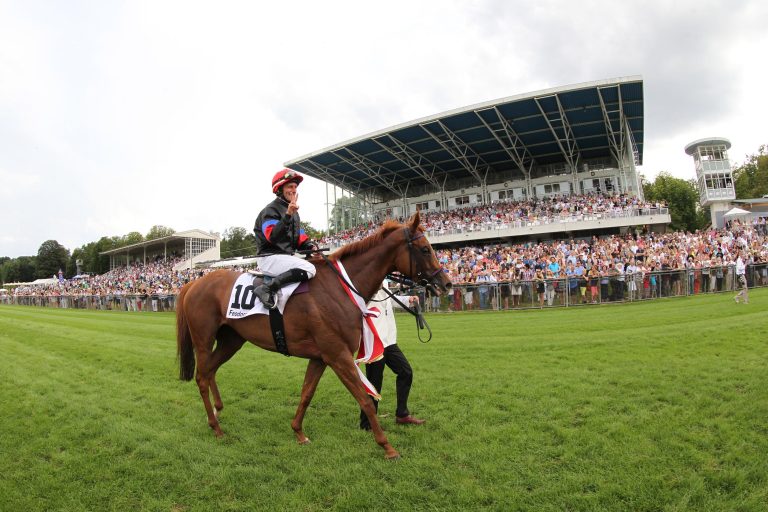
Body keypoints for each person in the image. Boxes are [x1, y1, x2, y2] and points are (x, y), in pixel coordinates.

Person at [359, 283, 426, 430]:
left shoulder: (383, 279)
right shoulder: (369, 277)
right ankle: (367, 423)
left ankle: (402, 414)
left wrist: (409, 299)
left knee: (405, 372)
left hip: (389, 340)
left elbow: (390, 298)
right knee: (374, 382)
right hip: (374, 340)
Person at [253, 169, 318, 308]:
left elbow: (301, 240)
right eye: (290, 186)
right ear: (279, 189)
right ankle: (267, 288)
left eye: (295, 187)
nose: (294, 190)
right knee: (309, 269)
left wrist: (311, 247)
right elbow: (273, 237)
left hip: (285, 258)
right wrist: (288, 215)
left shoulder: (294, 214)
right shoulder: (270, 210)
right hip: (269, 258)